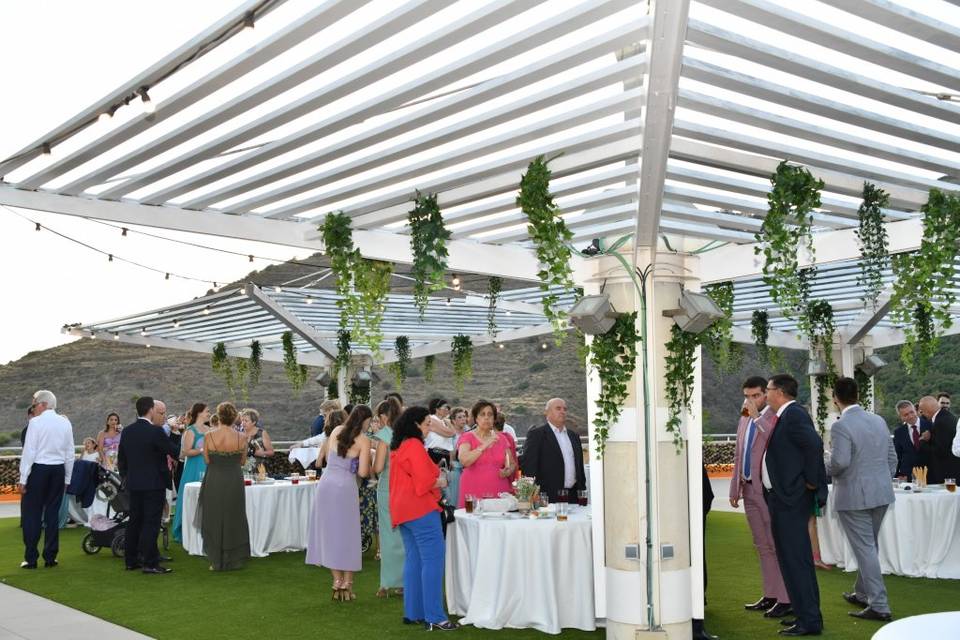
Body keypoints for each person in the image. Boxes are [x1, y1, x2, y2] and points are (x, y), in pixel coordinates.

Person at [826, 377, 897, 623]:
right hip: (882, 493)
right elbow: (892, 458)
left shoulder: (840, 426)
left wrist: (822, 465)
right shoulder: (878, 420)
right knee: (869, 546)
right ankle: (862, 592)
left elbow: (840, 462)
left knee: (865, 548)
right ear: (858, 394)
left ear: (835, 398)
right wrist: (880, 480)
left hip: (854, 495)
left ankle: (879, 605)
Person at [762, 374, 827, 637]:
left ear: (778, 392)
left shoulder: (794, 415)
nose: (766, 396)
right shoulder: (788, 416)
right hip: (783, 498)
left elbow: (814, 445)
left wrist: (810, 483)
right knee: (791, 561)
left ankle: (809, 621)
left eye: (767, 390)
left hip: (790, 500)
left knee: (796, 561)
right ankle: (804, 616)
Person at [389, 406, 458, 631]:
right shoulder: (415, 446)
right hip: (419, 509)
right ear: (416, 425)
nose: (430, 427)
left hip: (402, 509)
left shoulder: (400, 446)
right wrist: (443, 481)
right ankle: (435, 616)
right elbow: (425, 482)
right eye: (427, 423)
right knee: (433, 560)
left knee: (414, 559)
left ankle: (414, 612)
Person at [728, 376, 791, 618]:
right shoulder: (744, 419)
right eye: (747, 396)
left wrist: (756, 417)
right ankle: (770, 595)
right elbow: (738, 453)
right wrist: (734, 488)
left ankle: (786, 599)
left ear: (766, 394)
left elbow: (772, 443)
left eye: (756, 395)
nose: (751, 400)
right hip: (747, 489)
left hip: (766, 490)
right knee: (762, 546)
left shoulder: (774, 417)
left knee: (776, 545)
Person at [306, 405, 372, 601]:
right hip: (344, 487)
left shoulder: (335, 431)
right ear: (365, 420)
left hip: (326, 485)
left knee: (330, 533)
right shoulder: (363, 440)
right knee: (349, 534)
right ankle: (348, 583)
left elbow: (325, 459)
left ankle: (336, 581)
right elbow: (362, 473)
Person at [117, 396, 181, 574]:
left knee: (134, 522)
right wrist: (175, 434)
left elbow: (121, 460)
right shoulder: (155, 432)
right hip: (153, 484)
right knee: (151, 523)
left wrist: (127, 477)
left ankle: (131, 560)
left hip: (134, 484)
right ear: (151, 410)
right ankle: (150, 563)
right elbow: (174, 452)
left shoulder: (128, 431)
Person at [18, 390, 75, 569]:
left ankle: (31, 558)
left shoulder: (35, 423)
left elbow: (29, 452)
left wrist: (23, 478)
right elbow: (70, 453)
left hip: (38, 470)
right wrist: (67, 477)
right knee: (52, 515)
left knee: (32, 514)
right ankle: (50, 557)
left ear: (43, 404)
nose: (33, 408)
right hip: (57, 471)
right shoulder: (65, 423)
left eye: (34, 404)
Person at [199, 402, 250, 571]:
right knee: (233, 516)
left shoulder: (209, 436)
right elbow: (242, 461)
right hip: (234, 478)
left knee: (214, 516)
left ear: (219, 417)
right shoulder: (242, 437)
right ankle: (231, 559)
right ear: (234, 417)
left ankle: (216, 560)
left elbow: (206, 460)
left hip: (214, 478)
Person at [520, 398, 586, 502]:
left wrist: (582, 494)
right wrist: (532, 495)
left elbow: (580, 469)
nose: (562, 411)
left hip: (573, 496)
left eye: (565, 409)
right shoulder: (537, 435)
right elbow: (529, 467)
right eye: (558, 408)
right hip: (548, 497)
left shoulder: (574, 436)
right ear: (547, 412)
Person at [373, 398, 405, 597]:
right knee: (404, 536)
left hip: (387, 488)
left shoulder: (384, 436)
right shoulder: (407, 434)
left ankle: (386, 584)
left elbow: (378, 468)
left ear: (384, 417)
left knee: (388, 535)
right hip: (405, 490)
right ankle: (404, 582)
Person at [457, 401, 517, 507]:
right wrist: (485, 444)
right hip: (473, 490)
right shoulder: (467, 437)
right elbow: (464, 461)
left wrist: (508, 471)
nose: (486, 418)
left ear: (494, 419)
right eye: (482, 414)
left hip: (499, 490)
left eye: (490, 415)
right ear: (476, 418)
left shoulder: (501, 438)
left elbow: (512, 464)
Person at [172, 403, 210, 543]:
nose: (209, 414)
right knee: (191, 497)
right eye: (207, 411)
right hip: (194, 467)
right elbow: (186, 452)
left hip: (208, 466)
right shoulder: (190, 431)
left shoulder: (209, 429)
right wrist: (202, 450)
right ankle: (186, 528)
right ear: (199, 413)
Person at [917, 396, 960, 484]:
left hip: (948, 474)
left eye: (921, 411)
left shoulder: (940, 422)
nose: (921, 414)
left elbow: (941, 451)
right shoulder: (948, 416)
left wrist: (923, 441)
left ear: (927, 410)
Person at [892, 400, 931, 481]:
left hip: (930, 474)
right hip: (908, 477)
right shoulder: (898, 432)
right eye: (906, 415)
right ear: (901, 417)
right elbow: (897, 456)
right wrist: (897, 475)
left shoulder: (930, 425)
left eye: (912, 412)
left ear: (916, 410)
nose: (910, 416)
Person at [447, 407, 469, 508]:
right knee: (455, 495)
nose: (463, 419)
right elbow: (450, 447)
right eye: (459, 417)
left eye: (464, 416)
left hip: (468, 466)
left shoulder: (469, 431)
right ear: (453, 420)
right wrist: (451, 460)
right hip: (456, 466)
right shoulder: (450, 433)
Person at [425, 398, 456, 466]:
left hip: (446, 455)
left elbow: (449, 443)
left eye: (448, 407)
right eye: (445, 407)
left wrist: (451, 460)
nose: (447, 409)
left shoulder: (445, 421)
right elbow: (451, 433)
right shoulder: (431, 419)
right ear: (437, 409)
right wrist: (449, 424)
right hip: (434, 454)